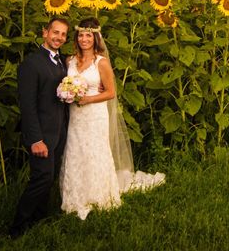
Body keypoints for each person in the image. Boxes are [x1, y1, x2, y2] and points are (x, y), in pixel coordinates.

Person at [59, 17, 164, 220]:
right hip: (76, 116)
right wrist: (67, 93)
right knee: (75, 150)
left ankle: (99, 195)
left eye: (88, 35)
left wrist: (88, 98)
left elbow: (110, 93)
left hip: (95, 114)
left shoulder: (102, 62)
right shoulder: (69, 61)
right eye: (80, 35)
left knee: (95, 152)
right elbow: (66, 84)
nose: (84, 39)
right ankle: (75, 197)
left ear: (96, 38)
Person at [10, 17, 70, 238]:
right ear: (45, 32)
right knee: (41, 178)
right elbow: (27, 105)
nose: (59, 37)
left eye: (63, 34)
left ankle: (39, 219)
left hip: (58, 131)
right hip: (41, 134)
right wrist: (35, 139)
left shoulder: (61, 61)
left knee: (50, 176)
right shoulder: (31, 64)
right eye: (55, 32)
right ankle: (18, 227)